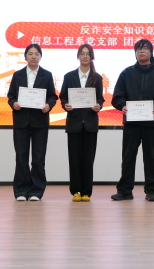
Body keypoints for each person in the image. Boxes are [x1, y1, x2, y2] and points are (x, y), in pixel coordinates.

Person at [111, 39, 154, 202]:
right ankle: (125, 190)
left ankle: (151, 191)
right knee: (128, 157)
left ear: (151, 52)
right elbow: (117, 96)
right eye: (138, 49)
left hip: (151, 123)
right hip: (131, 123)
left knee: (151, 158)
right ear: (135, 53)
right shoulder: (127, 73)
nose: (141, 51)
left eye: (145, 48)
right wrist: (122, 106)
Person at [7, 44, 58, 202]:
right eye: (30, 54)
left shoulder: (47, 75)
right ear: (25, 56)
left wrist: (48, 105)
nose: (33, 56)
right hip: (21, 121)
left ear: (40, 56)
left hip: (40, 122)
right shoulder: (18, 75)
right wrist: (14, 103)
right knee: (21, 157)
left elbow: (52, 96)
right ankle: (21, 191)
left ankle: (36, 191)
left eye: (36, 54)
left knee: (38, 158)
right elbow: (11, 96)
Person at [60, 44, 104, 202]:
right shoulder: (69, 76)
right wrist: (65, 105)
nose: (85, 56)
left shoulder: (97, 77)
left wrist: (98, 105)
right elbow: (63, 97)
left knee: (88, 159)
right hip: (74, 122)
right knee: (74, 158)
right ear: (78, 56)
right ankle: (76, 191)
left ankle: (86, 192)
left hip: (90, 123)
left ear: (92, 57)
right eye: (82, 53)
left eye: (88, 54)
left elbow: (100, 98)